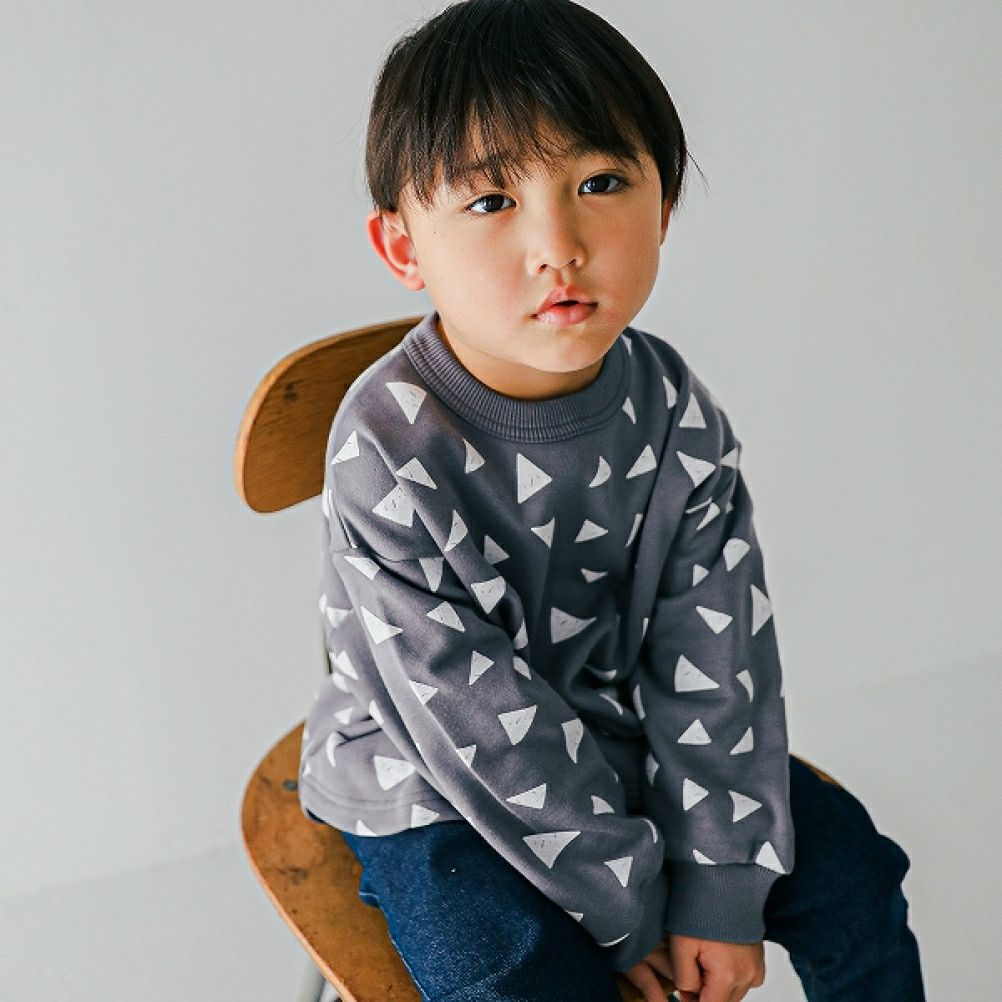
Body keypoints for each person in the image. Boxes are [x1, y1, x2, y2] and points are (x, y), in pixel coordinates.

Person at [298, 2, 927, 999]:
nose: (559, 243)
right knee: (510, 972)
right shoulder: (388, 444)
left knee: (855, 876)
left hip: (608, 733)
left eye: (599, 183)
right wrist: (626, 913)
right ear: (404, 248)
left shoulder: (670, 409)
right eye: (491, 200)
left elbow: (715, 655)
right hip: (431, 778)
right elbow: (472, 720)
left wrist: (715, 888)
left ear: (664, 207)